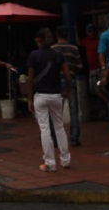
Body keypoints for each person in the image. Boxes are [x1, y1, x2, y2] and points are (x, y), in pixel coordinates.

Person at [28, 28, 71, 171]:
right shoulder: (59, 56)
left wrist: (29, 99)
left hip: (40, 96)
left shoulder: (34, 55)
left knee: (45, 129)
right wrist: (66, 91)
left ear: (40, 39)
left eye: (36, 38)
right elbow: (68, 76)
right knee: (59, 127)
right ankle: (65, 160)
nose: (35, 40)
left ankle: (50, 163)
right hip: (56, 95)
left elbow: (30, 79)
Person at [51, 25, 84, 146]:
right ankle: (74, 138)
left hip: (56, 82)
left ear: (57, 35)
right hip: (71, 80)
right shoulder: (73, 48)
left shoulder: (52, 49)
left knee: (55, 111)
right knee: (73, 110)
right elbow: (80, 66)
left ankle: (55, 139)